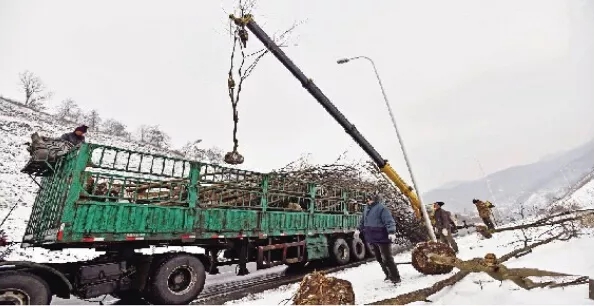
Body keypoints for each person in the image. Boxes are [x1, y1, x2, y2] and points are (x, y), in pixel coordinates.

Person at [354, 194, 401, 283]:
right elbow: (363, 221)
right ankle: (388, 275)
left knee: (387, 258)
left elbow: (389, 221)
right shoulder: (366, 208)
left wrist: (391, 232)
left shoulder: (382, 208)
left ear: (375, 199)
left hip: (382, 236)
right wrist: (358, 229)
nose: (368, 200)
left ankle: (396, 277)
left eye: (370, 199)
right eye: (367, 199)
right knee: (379, 258)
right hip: (372, 237)